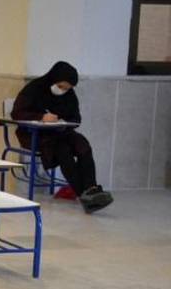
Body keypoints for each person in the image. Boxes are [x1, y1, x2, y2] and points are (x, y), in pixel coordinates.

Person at [11, 61, 113, 213]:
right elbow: (17, 113)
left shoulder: (69, 95)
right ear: (53, 78)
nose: (63, 91)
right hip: (35, 135)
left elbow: (76, 118)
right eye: (61, 86)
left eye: (67, 89)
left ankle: (91, 188)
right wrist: (41, 117)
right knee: (62, 150)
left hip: (60, 132)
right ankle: (85, 196)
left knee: (82, 145)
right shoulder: (34, 88)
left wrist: (63, 121)